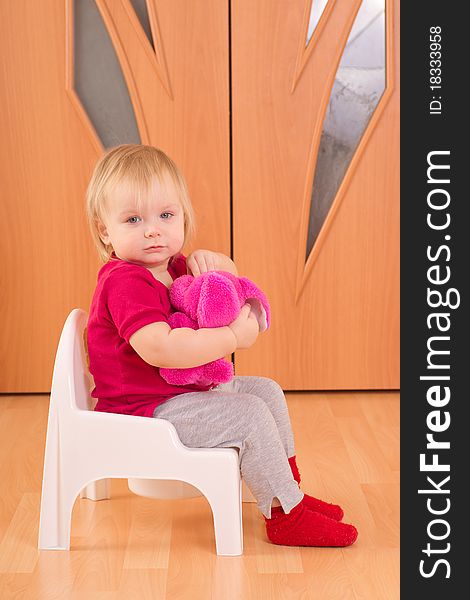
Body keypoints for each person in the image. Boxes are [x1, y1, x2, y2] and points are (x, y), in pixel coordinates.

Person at [85, 144, 358, 547]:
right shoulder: (126, 281)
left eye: (165, 215)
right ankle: (285, 518)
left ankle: (288, 493)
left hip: (171, 396)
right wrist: (231, 338)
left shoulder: (171, 266)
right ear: (105, 229)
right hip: (144, 410)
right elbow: (159, 348)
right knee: (248, 414)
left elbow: (224, 288)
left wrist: (218, 262)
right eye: (133, 219)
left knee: (265, 391)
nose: (153, 230)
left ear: (182, 216)